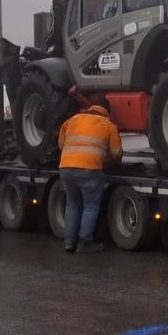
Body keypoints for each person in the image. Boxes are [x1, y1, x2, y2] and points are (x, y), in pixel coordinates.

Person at [57, 103, 122, 253]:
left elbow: (61, 144)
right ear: (107, 112)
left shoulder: (73, 120)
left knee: (72, 204)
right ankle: (85, 242)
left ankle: (69, 243)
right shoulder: (108, 125)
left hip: (65, 168)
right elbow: (116, 153)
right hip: (90, 170)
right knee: (90, 206)